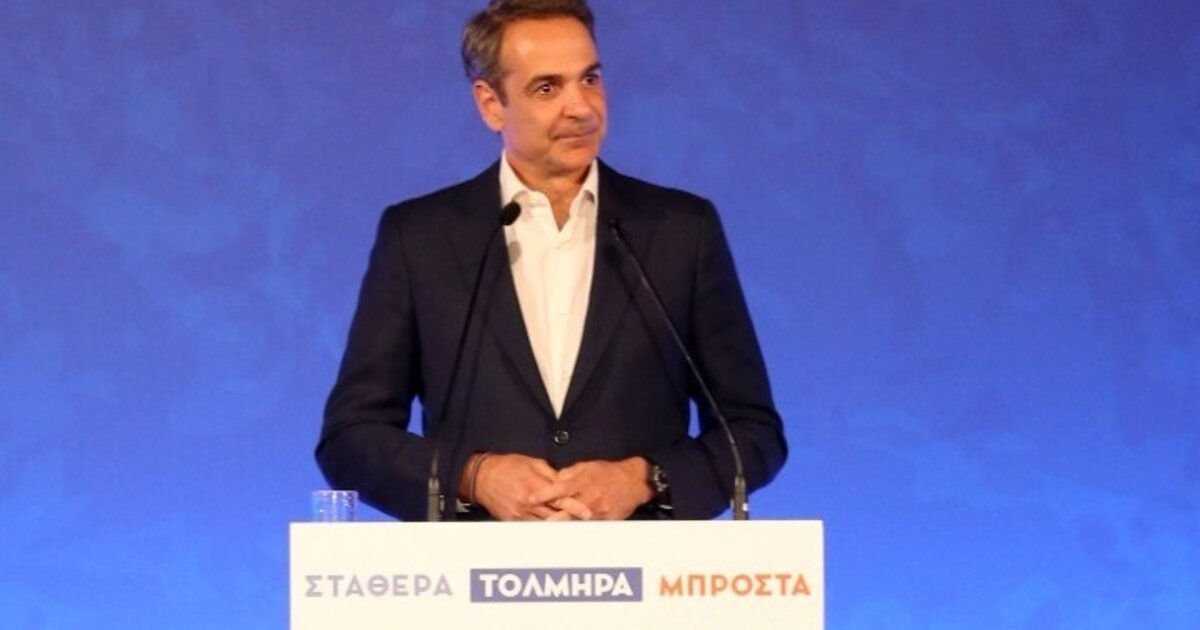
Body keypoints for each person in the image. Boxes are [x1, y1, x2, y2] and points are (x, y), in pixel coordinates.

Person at [316, 0, 786, 521]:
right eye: (547, 88)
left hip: (640, 565)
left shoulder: (680, 230)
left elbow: (753, 432)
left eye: (590, 79)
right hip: (477, 566)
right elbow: (351, 437)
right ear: (491, 105)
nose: (581, 107)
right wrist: (474, 475)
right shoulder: (421, 238)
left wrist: (644, 478)